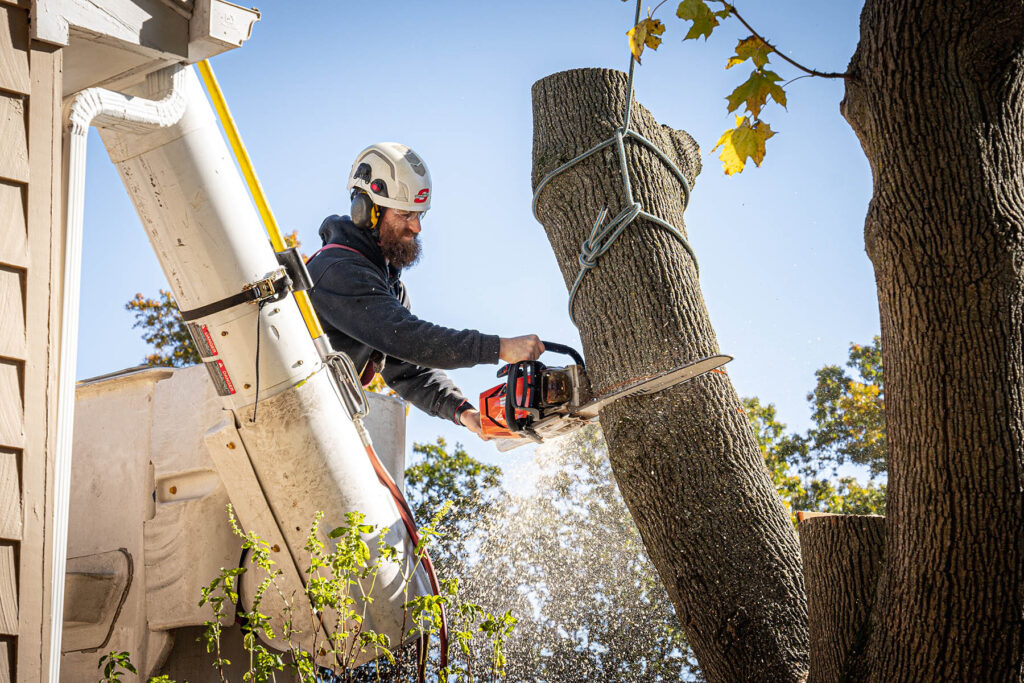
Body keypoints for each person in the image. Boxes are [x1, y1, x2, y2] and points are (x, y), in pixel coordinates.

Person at [306, 142, 544, 440]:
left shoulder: (388, 286)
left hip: (317, 419)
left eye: (420, 214)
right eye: (405, 215)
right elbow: (407, 339)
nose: (416, 227)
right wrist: (498, 348)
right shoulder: (337, 270)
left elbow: (407, 368)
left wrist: (464, 412)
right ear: (366, 212)